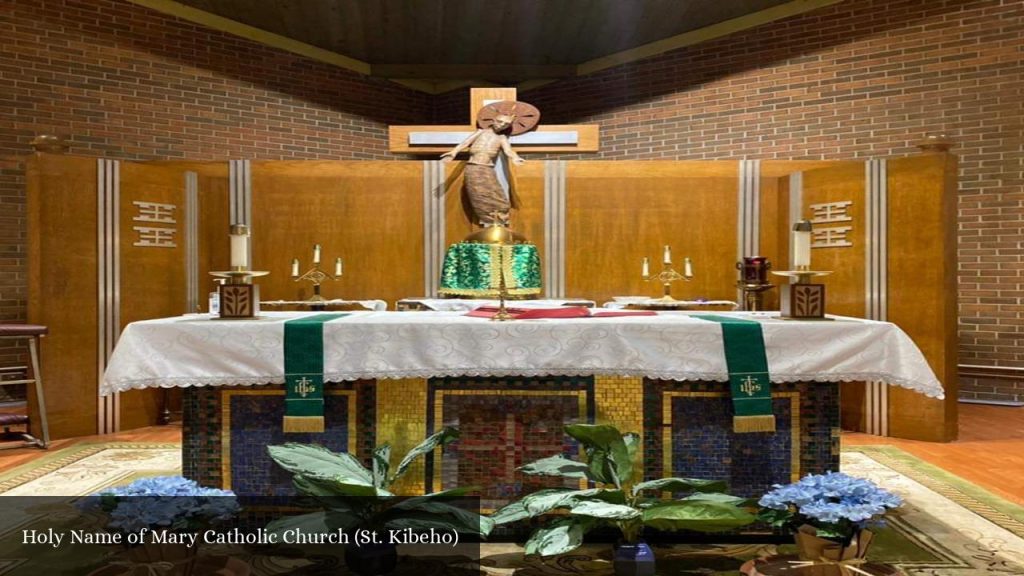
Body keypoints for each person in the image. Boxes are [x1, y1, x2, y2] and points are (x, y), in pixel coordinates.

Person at [441, 112, 525, 226]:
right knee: (478, 194)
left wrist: (515, 157)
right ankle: (487, 219)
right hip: (473, 168)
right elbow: (466, 142)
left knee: (495, 193)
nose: (501, 125)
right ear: (494, 120)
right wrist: (454, 152)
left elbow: (508, 151)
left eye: (506, 124)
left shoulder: (501, 138)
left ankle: (500, 216)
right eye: (500, 121)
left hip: (487, 169)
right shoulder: (481, 132)